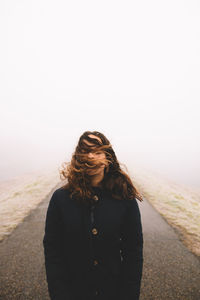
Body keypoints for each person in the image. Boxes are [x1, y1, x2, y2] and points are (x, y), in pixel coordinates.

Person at [43, 131, 143, 300]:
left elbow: (133, 252)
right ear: (77, 157)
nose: (90, 157)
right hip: (73, 290)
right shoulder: (60, 198)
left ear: (107, 158)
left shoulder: (124, 198)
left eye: (97, 152)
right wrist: (59, 293)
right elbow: (53, 251)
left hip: (113, 291)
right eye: (85, 151)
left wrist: (129, 294)